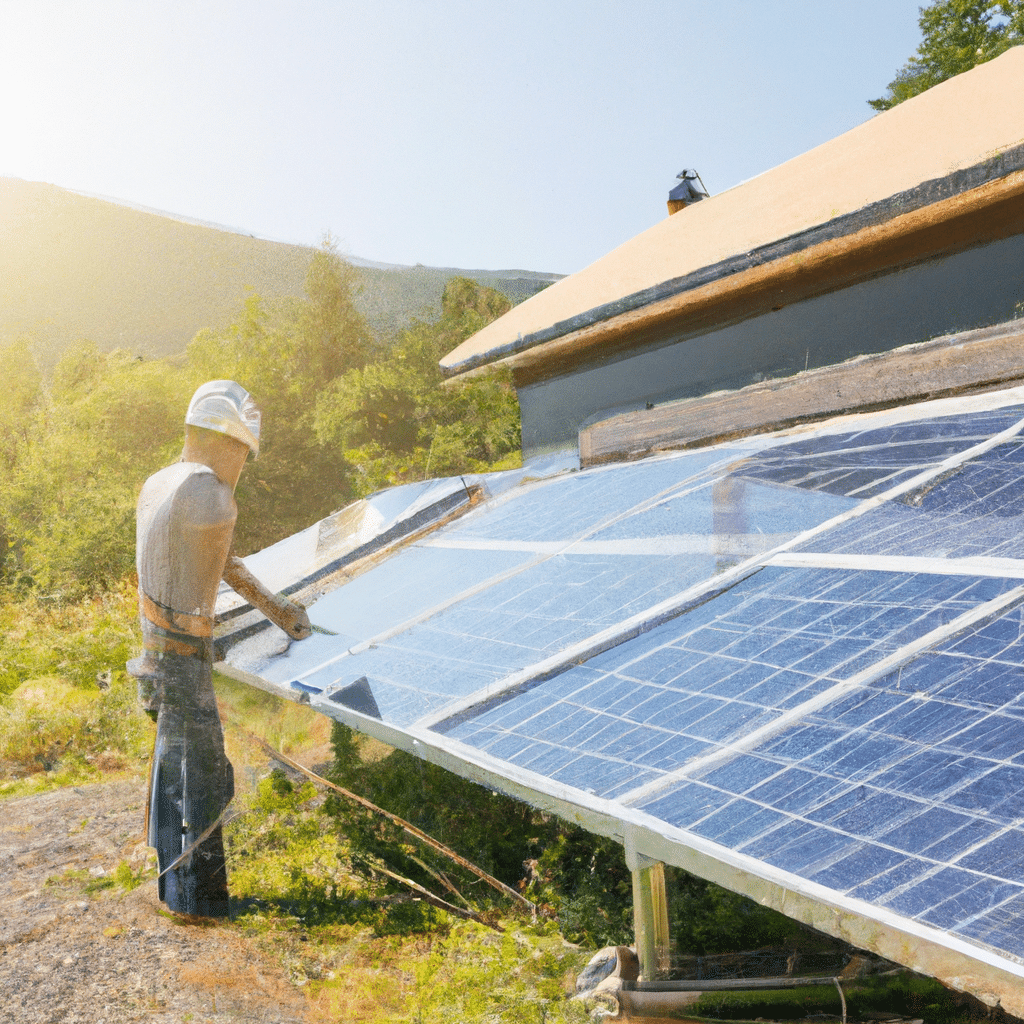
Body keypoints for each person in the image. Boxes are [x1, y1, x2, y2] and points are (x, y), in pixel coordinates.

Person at [128, 380, 311, 917]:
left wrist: (276, 610)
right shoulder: (210, 494)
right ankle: (200, 904)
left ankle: (174, 890)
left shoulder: (160, 481)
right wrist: (281, 614)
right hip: (184, 662)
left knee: (174, 772)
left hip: (154, 655)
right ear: (230, 444)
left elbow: (214, 567)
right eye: (242, 452)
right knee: (202, 780)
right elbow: (224, 566)